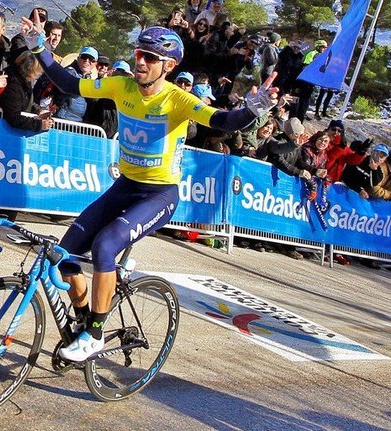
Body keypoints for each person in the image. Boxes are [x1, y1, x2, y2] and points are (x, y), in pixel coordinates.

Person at [19, 21, 279, 361]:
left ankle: (94, 335)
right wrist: (41, 48)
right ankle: (86, 318)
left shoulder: (178, 100)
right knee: (65, 256)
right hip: (126, 186)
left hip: (159, 195)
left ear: (168, 66)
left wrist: (252, 111)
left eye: (151, 58)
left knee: (105, 245)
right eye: (139, 54)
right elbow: (69, 83)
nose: (141, 62)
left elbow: (222, 121)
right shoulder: (120, 86)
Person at [0, 50, 52, 133]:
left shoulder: (22, 80)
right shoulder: (12, 84)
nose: (39, 74)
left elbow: (25, 101)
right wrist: (39, 125)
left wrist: (39, 110)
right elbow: (14, 117)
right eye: (39, 72)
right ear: (31, 70)